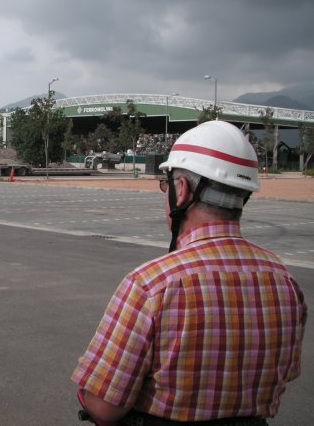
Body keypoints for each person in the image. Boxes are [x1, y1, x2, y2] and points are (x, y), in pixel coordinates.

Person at [72, 120, 307, 426]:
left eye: (166, 185)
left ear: (181, 191)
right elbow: (286, 374)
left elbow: (103, 407)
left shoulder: (151, 285)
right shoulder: (285, 282)